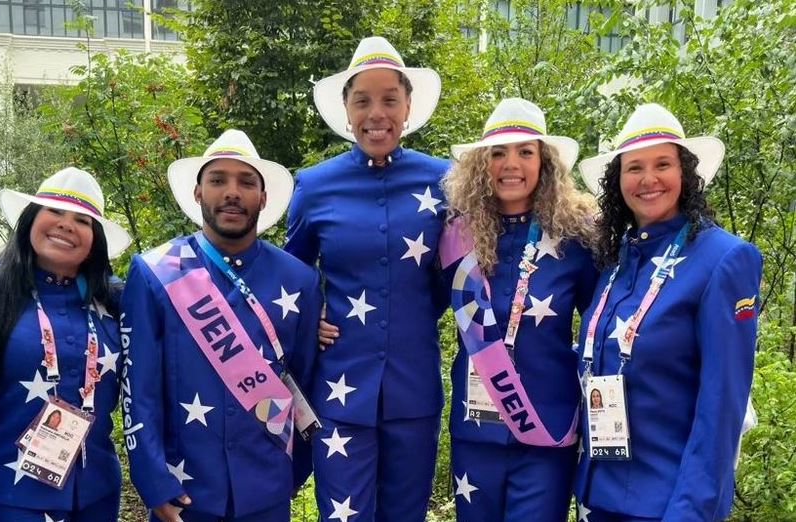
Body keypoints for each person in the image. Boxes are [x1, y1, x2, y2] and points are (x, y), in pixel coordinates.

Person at [285, 35, 450, 520]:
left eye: (389, 100)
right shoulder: (313, 186)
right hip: (340, 387)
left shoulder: (446, 181)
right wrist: (309, 320)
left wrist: (412, 316)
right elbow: (290, 278)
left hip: (413, 387)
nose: (376, 113)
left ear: (408, 106)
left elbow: (457, 277)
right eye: (363, 101)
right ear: (346, 109)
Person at [122, 129, 322, 522]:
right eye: (218, 180)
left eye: (247, 182)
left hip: (267, 487)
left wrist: (294, 472)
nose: (232, 192)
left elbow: (306, 381)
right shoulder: (154, 272)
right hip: (184, 490)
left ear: (263, 198)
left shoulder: (300, 279)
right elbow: (137, 387)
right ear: (198, 192)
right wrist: (152, 477)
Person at [574, 103, 762, 521]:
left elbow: (722, 405)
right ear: (617, 180)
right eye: (634, 167)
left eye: (663, 163)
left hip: (669, 502)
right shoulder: (617, 259)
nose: (648, 179)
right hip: (597, 495)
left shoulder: (724, 258)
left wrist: (691, 511)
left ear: (686, 173)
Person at [438, 97, 599, 522]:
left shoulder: (576, 239)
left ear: (544, 163)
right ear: (481, 164)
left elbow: (607, 321)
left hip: (546, 432)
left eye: (525, 152)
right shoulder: (455, 236)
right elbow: (412, 305)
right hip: (476, 432)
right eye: (498, 153)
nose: (512, 164)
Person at [0, 167, 131, 521]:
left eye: (82, 220)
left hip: (96, 493)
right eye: (54, 211)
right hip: (11, 492)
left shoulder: (117, 300)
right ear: (30, 219)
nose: (67, 224)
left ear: (96, 238)